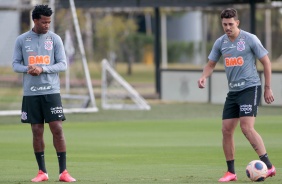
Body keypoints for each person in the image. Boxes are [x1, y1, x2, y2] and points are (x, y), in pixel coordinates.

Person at [197, 8, 276, 182]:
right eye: (224, 24)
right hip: (233, 92)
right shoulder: (220, 43)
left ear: (237, 23)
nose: (227, 27)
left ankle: (269, 166)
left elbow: (266, 62)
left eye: (230, 24)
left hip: (250, 87)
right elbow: (210, 65)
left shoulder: (250, 39)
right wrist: (203, 76)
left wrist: (268, 88)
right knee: (226, 130)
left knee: (246, 127)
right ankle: (231, 172)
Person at [12, 5, 76, 182]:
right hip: (31, 93)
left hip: (51, 91)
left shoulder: (55, 39)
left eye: (49, 22)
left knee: (57, 128)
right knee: (36, 130)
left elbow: (63, 64)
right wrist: (28, 68)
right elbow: (15, 64)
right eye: (43, 22)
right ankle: (42, 172)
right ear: (35, 20)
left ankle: (63, 172)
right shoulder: (22, 40)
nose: (47, 25)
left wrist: (43, 69)